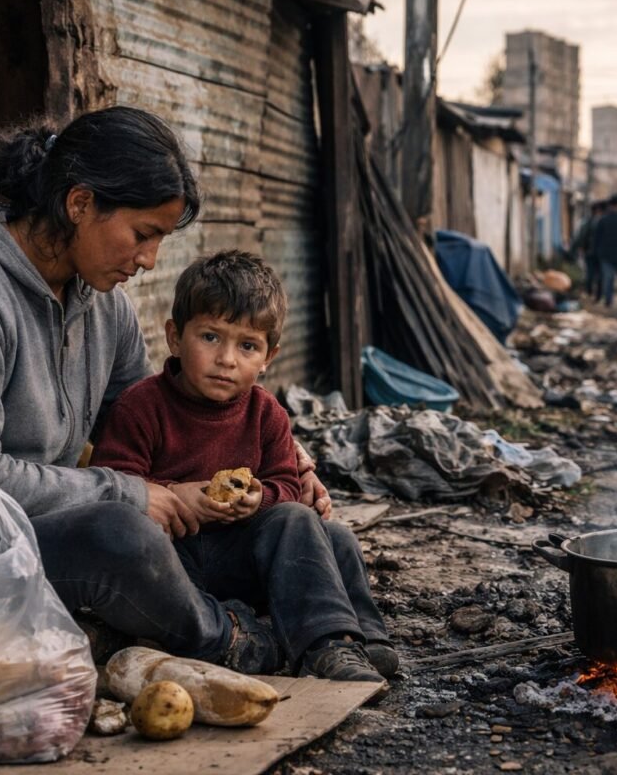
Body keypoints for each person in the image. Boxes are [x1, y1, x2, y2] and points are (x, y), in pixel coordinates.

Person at [0, 106, 331, 677]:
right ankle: (229, 639)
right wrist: (129, 495)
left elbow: (155, 416)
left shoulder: (102, 302)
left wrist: (283, 461)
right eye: (143, 235)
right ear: (79, 204)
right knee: (120, 532)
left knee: (282, 525)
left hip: (23, 535)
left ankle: (300, 626)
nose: (149, 261)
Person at [89, 251, 393, 684]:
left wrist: (260, 499)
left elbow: (287, 484)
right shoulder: (141, 406)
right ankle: (292, 639)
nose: (227, 359)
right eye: (210, 337)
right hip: (178, 566)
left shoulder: (267, 413)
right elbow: (115, 487)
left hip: (245, 559)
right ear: (175, 337)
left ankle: (349, 640)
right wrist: (175, 493)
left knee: (328, 533)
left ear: (269, 356)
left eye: (247, 346)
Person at [573, 201, 606, 300]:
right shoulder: (602, 221)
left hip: (590, 251)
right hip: (599, 252)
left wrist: (581, 247)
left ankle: (590, 292)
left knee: (590, 272)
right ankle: (598, 294)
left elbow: (582, 236)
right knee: (599, 274)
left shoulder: (588, 222)